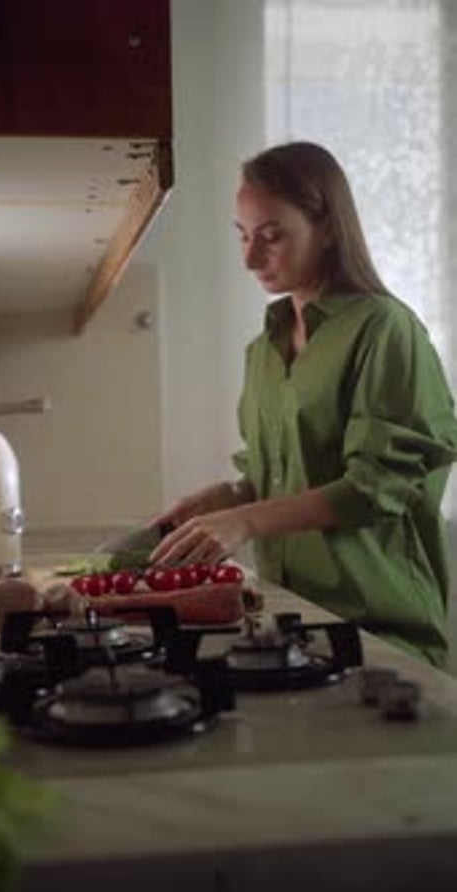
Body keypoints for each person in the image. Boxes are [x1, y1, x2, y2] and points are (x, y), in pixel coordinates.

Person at [150, 141, 457, 668]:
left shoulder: (384, 329)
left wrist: (245, 521)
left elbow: (375, 487)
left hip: (378, 631)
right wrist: (229, 496)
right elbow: (287, 474)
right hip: (289, 627)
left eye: (271, 237)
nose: (250, 258)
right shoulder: (263, 350)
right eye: (243, 236)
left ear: (329, 228)